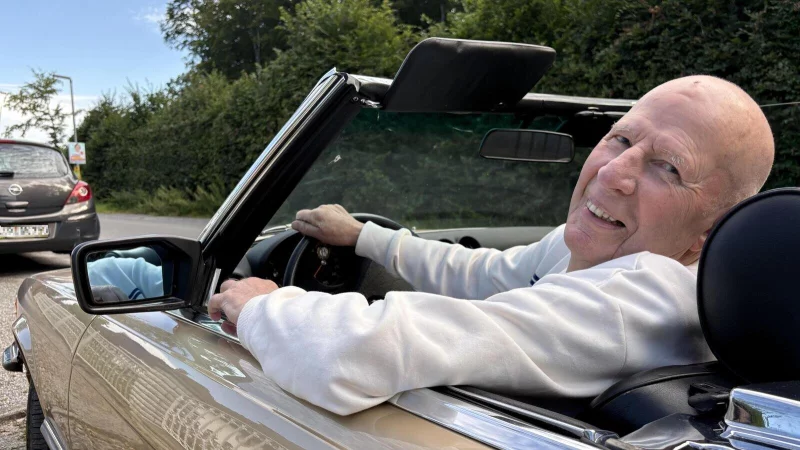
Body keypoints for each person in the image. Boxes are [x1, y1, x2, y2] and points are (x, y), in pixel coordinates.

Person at [208, 75, 775, 415]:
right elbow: (488, 274)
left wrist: (257, 301)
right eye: (620, 138)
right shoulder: (612, 255)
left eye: (669, 168)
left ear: (713, 230)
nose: (613, 173)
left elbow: (352, 354)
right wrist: (364, 236)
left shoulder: (636, 296)